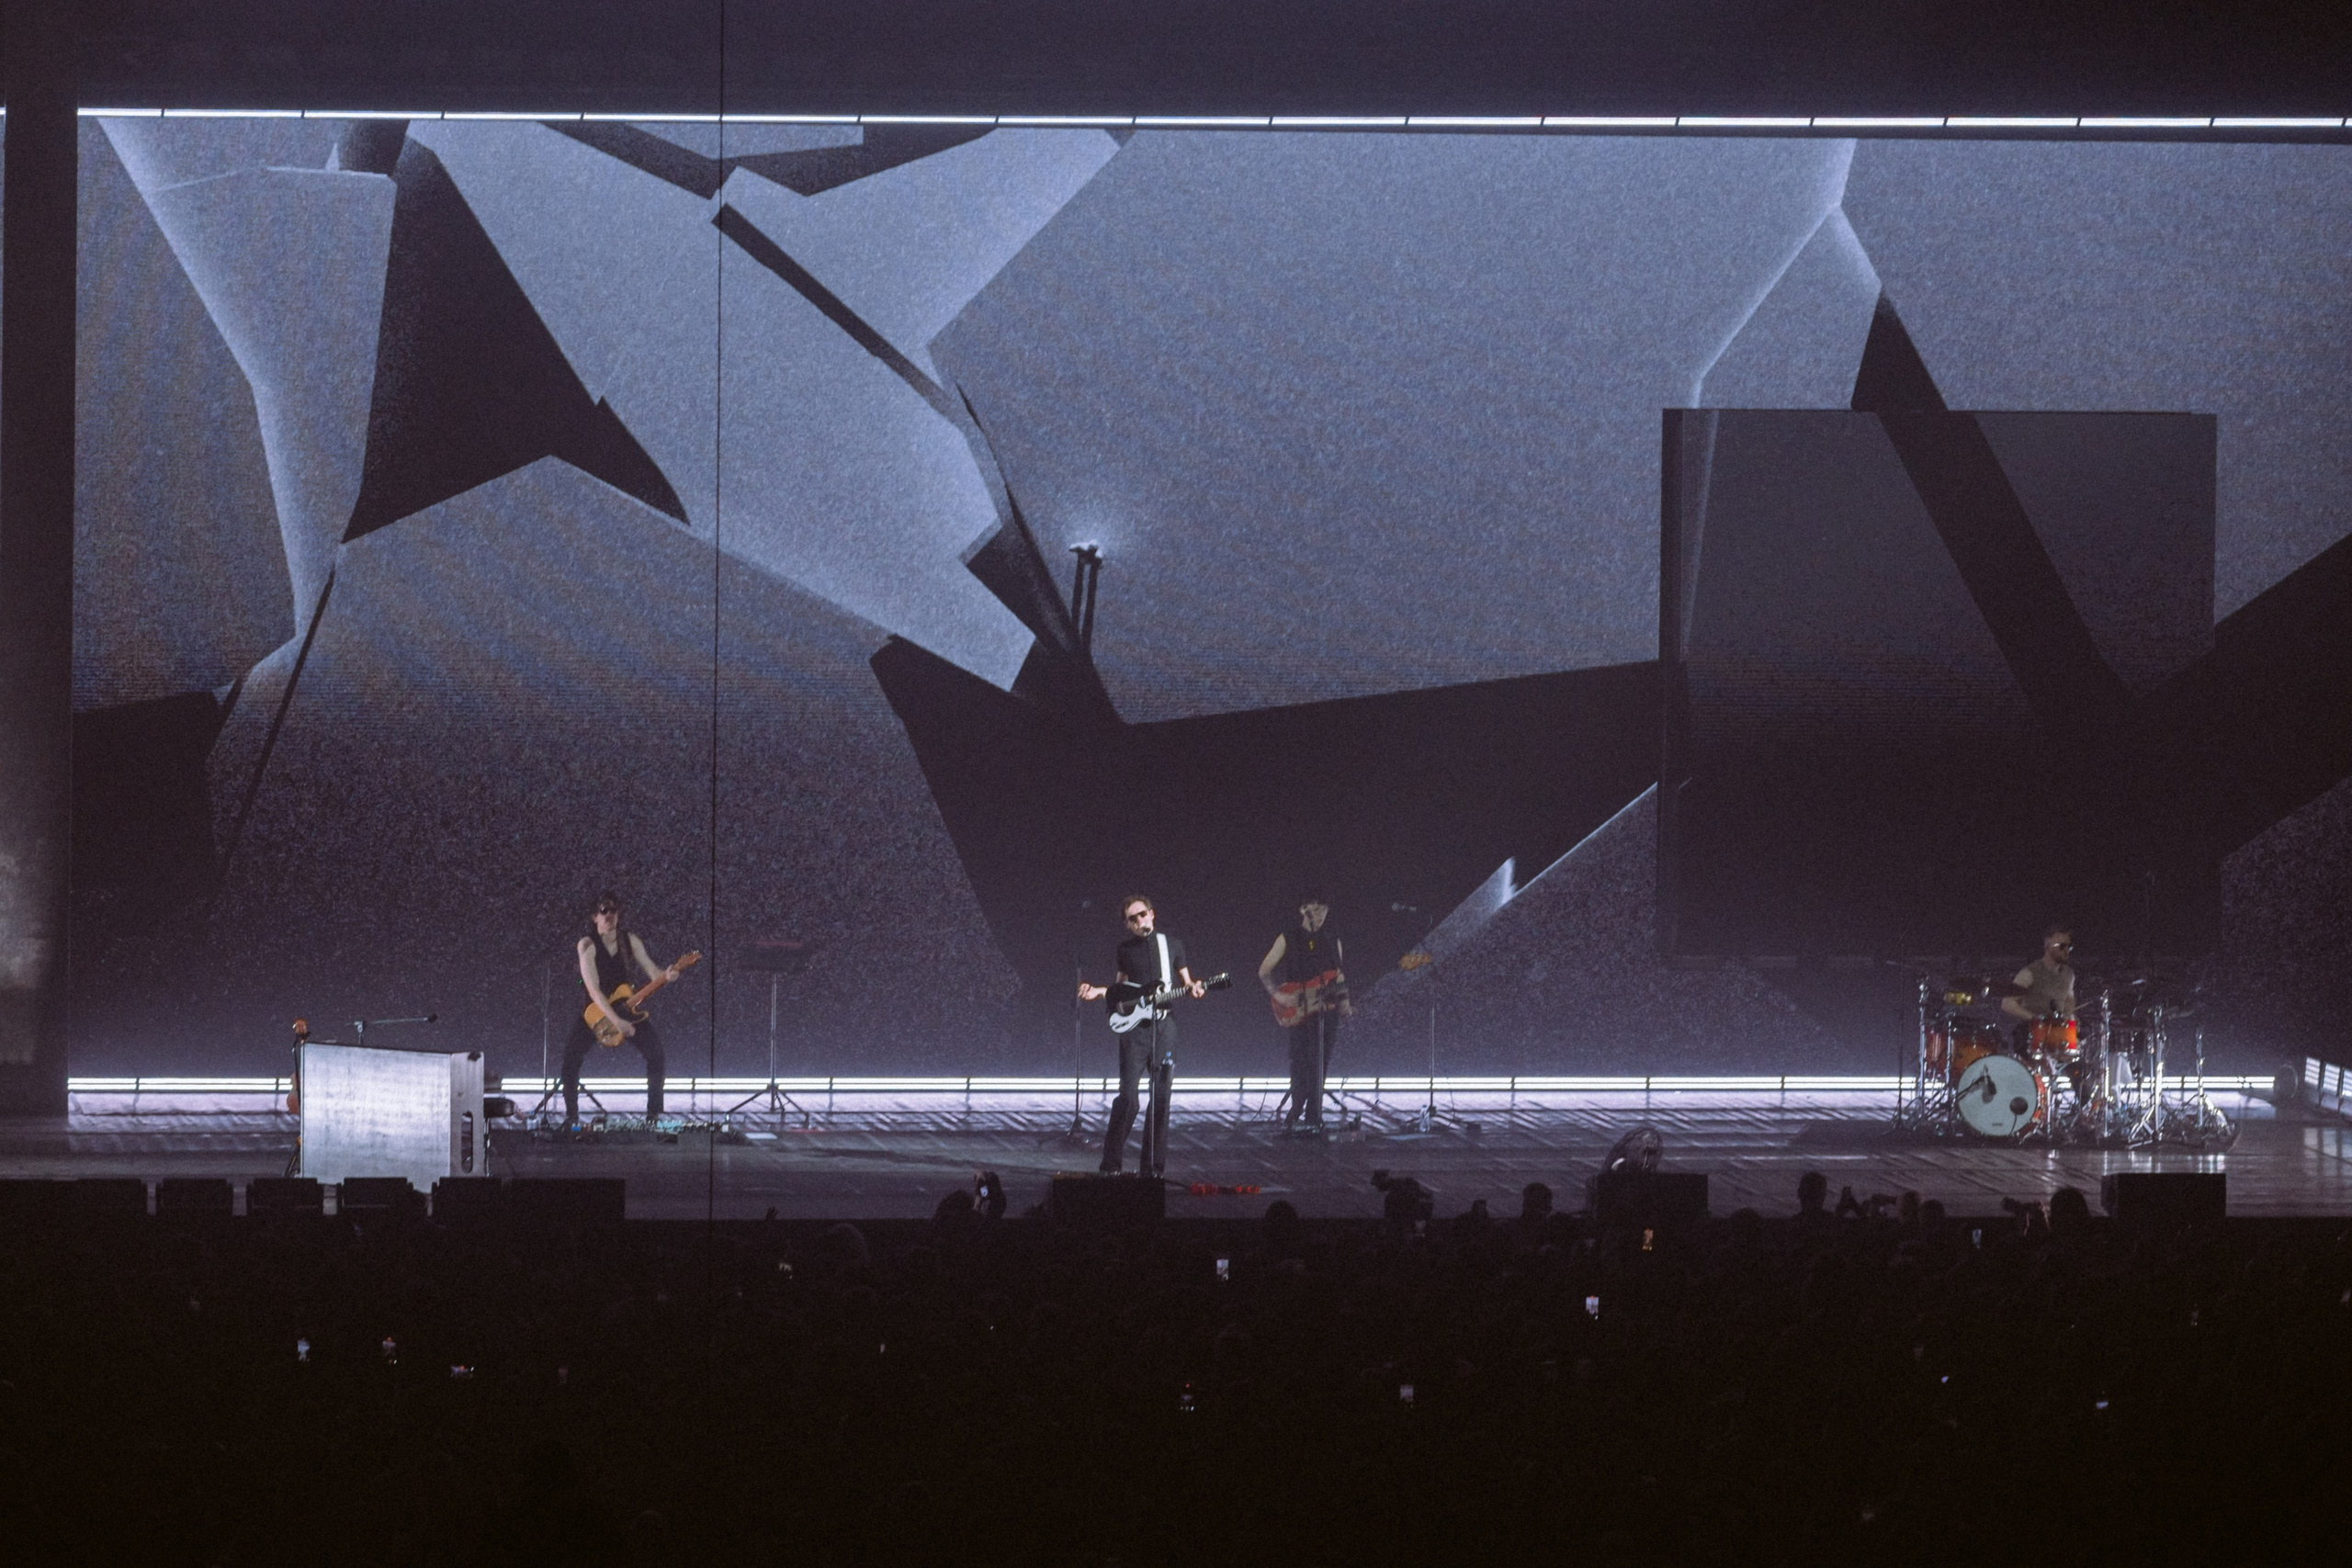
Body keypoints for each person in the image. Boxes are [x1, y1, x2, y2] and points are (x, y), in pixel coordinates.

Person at [1078, 895, 1205, 1176]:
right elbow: (1121, 989)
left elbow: (1187, 981)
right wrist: (1099, 992)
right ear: (1127, 924)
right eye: (1132, 918)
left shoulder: (1172, 945)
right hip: (1135, 1032)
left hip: (1164, 1028)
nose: (1139, 921)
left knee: (1161, 1098)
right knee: (1128, 1097)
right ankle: (1110, 1165)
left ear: (1152, 914)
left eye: (1142, 914)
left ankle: (1153, 1169)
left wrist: (1195, 987)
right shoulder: (1125, 950)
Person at [560, 890, 684, 1127]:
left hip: (627, 1006)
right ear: (594, 916)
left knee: (656, 1053)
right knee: (570, 1060)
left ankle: (653, 1115)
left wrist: (667, 976)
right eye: (604, 911)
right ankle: (572, 1117)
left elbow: (652, 972)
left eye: (613, 911)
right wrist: (616, 1021)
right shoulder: (587, 945)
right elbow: (594, 990)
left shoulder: (630, 941)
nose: (609, 916)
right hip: (596, 1011)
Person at [1261, 896, 1349, 1133]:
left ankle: (1314, 1115)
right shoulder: (1288, 937)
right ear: (1303, 909)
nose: (1320, 913)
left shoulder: (1331, 939)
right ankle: (1295, 1110)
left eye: (1324, 909)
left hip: (1326, 1010)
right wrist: (1277, 995)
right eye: (1315, 908)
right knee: (1300, 1061)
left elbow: (1338, 976)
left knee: (1321, 1061)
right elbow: (1264, 970)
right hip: (1300, 1009)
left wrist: (1345, 1003)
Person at [2002, 924, 2077, 1027]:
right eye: (2062, 946)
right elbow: (2007, 1003)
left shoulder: (2069, 974)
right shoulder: (2030, 973)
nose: (2067, 951)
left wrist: (2072, 1020)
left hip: (2058, 1032)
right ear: (2047, 944)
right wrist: (2035, 1019)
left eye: (2069, 947)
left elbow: (2069, 1002)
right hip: (2033, 1031)